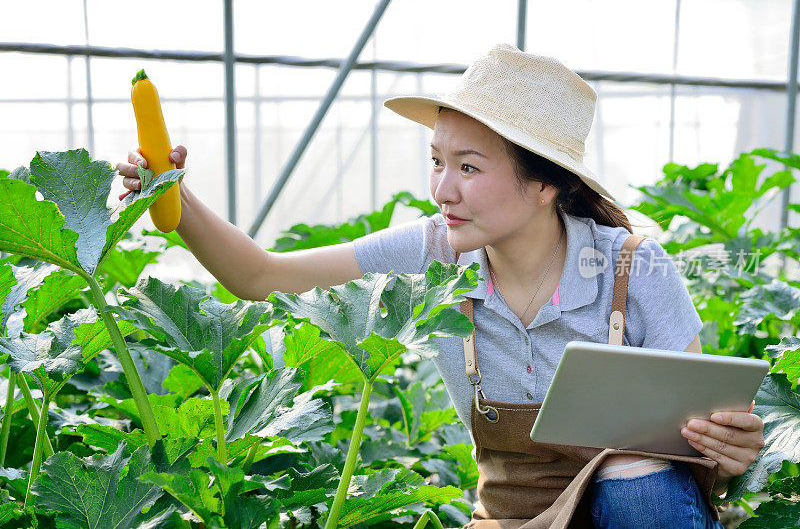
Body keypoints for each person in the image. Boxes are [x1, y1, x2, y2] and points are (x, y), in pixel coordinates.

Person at [117, 44, 765, 528]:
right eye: (436, 161)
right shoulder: (434, 254)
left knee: (637, 482)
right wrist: (173, 196)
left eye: (468, 167)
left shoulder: (635, 268)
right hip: (513, 518)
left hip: (638, 513)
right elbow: (261, 275)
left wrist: (730, 447)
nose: (441, 189)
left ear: (546, 185)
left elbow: (713, 436)